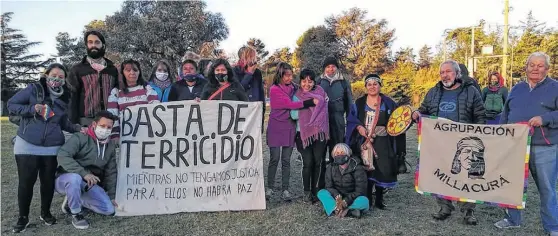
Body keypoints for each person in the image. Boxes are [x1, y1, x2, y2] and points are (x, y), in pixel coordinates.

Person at [8, 63, 83, 233]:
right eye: (54, 75)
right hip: (27, 144)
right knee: (26, 183)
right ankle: (23, 217)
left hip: (52, 147)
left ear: (64, 80)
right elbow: (11, 105)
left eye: (61, 77)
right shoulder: (34, 89)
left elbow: (63, 122)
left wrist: (79, 128)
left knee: (48, 182)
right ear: (46, 74)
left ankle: (45, 213)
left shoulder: (66, 97)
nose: (56, 79)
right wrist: (31, 108)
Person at [412, 60, 485, 225]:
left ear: (457, 73)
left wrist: (479, 134)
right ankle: (445, 207)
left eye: (449, 72)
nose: (445, 75)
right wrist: (416, 112)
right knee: (440, 175)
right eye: (442, 72)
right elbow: (423, 110)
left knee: (466, 177)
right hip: (439, 143)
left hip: (464, 143)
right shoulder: (433, 92)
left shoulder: (471, 91)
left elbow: (480, 115)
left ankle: (468, 211)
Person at [494, 52, 558, 235]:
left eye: (540, 65)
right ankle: (512, 219)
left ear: (547, 68)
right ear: (526, 67)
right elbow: (506, 114)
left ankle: (552, 226)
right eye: (532, 65)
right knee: (512, 185)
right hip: (515, 145)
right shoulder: (517, 88)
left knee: (547, 188)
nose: (535, 68)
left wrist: (544, 118)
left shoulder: (555, 87)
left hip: (544, 147)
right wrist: (501, 135)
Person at [345, 74, 406, 210]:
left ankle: (379, 199)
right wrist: (359, 127)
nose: (372, 86)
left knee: (380, 169)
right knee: (365, 169)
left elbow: (399, 120)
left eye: (375, 84)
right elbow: (351, 119)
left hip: (383, 141)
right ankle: (366, 198)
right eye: (369, 84)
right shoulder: (359, 103)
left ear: (380, 85)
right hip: (364, 141)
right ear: (366, 87)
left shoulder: (389, 103)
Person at [55, 111, 118, 230]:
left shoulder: (110, 146)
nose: (105, 129)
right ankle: (76, 214)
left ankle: (77, 200)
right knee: (75, 178)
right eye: (102, 126)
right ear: (94, 124)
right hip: (66, 178)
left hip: (88, 183)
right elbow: (63, 155)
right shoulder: (80, 137)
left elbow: (111, 172)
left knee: (109, 209)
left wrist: (111, 195)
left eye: (109, 127)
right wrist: (84, 173)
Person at [266, 62, 317, 201]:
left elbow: (306, 89)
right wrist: (308, 103)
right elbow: (289, 104)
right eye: (286, 76)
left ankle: (286, 189)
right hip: (275, 127)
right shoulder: (274, 89)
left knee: (286, 160)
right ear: (280, 75)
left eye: (290, 75)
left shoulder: (294, 87)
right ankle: (269, 188)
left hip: (289, 126)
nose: (289, 78)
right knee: (274, 158)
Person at [290, 68, 329, 203]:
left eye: (310, 81)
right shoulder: (296, 95)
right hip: (303, 134)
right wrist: (310, 106)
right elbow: (293, 114)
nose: (307, 84)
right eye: (304, 81)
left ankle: (317, 190)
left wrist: (306, 108)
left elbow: (324, 112)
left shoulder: (320, 92)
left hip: (319, 133)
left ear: (314, 82)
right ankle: (307, 192)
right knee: (308, 163)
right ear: (300, 81)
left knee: (319, 162)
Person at [66, 30, 119, 127]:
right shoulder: (77, 69)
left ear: (103, 45)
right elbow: (71, 98)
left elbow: (118, 95)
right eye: (90, 42)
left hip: (110, 122)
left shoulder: (112, 69)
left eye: (97, 42)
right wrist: (73, 124)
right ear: (86, 45)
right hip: (86, 122)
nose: (93, 45)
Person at [107, 59, 159, 140]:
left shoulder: (147, 88)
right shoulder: (116, 92)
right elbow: (112, 115)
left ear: (139, 72)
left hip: (146, 134)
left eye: (135, 70)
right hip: (125, 136)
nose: (132, 72)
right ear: (122, 73)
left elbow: (156, 107)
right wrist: (115, 135)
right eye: (128, 70)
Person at [317, 56, 353, 163]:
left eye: (333, 66)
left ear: (337, 68)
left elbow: (349, 102)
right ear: (324, 68)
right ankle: (323, 176)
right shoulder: (319, 81)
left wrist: (349, 119)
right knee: (321, 149)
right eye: (328, 67)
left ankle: (337, 173)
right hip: (322, 120)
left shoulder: (343, 82)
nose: (330, 69)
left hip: (338, 119)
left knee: (337, 147)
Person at [317, 143, 368, 218]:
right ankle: (337, 209)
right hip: (337, 198)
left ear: (348, 154)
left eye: (342, 153)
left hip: (352, 198)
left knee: (364, 201)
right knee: (321, 193)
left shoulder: (357, 167)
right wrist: (337, 196)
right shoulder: (330, 167)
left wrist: (346, 201)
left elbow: (360, 190)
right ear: (334, 156)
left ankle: (346, 210)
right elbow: (328, 186)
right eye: (337, 153)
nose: (339, 155)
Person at [235, 46, 266, 131]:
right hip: (240, 113)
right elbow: (238, 91)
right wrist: (249, 74)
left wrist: (262, 111)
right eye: (250, 56)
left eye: (254, 56)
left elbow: (261, 94)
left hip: (255, 113)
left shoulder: (257, 72)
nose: (253, 59)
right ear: (242, 58)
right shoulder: (234, 71)